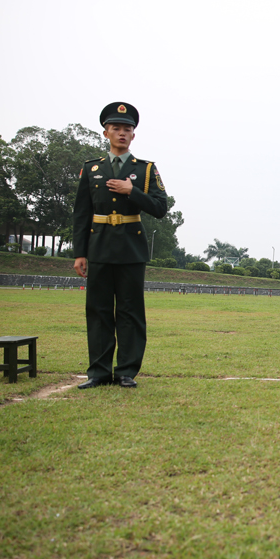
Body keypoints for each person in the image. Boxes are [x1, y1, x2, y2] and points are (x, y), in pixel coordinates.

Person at [72, 102, 168, 389]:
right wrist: (80, 253)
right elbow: (81, 213)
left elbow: (161, 208)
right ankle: (99, 373)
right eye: (116, 128)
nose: (122, 133)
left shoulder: (146, 169)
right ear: (106, 133)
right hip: (99, 247)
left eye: (127, 129)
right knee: (98, 311)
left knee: (130, 312)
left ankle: (126, 371)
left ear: (133, 136)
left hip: (130, 249)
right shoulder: (91, 169)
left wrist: (132, 191)